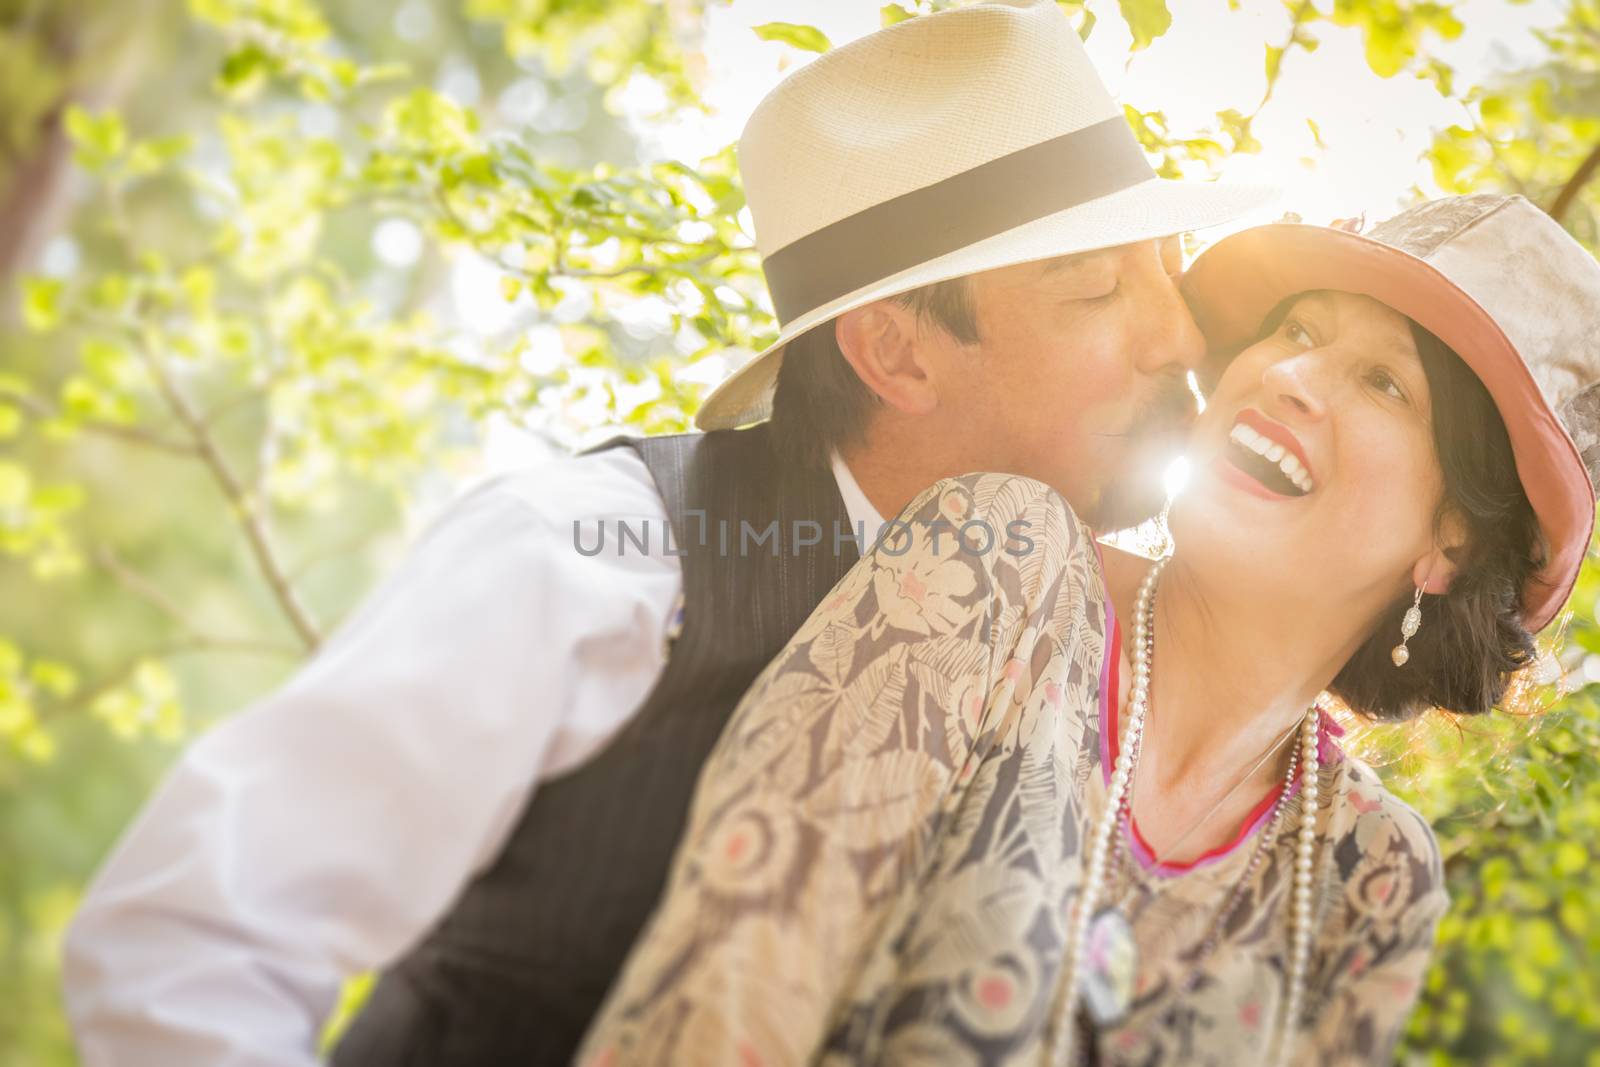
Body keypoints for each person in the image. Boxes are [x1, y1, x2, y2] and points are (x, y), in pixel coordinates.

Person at [59, 4, 1272, 1065]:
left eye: (1164, 267)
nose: (1176, 336)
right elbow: (188, 943)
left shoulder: (1124, 661)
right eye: (1098, 290)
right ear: (898, 351)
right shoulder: (595, 557)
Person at [573, 193, 1600, 1066]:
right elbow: (730, 987)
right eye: (1296, 330)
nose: (1287, 373)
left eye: (1382, 382)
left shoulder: (1376, 874)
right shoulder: (998, 560)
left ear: (1450, 544)